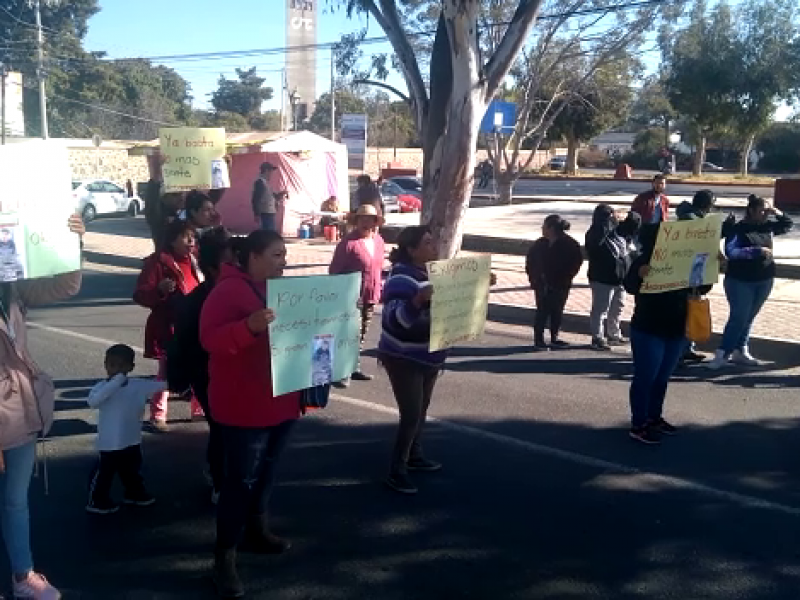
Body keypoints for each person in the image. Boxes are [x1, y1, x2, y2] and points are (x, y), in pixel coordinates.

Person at [200, 230, 301, 598]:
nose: (283, 260)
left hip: (282, 398)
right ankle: (223, 558)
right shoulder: (227, 291)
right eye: (276, 254)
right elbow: (209, 340)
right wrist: (249, 327)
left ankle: (257, 530)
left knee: (268, 471)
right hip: (244, 405)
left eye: (284, 254)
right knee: (239, 481)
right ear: (253, 257)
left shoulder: (280, 290)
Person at [0, 214, 84, 600]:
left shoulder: (13, 286)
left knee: (16, 500)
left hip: (19, 411)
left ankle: (22, 576)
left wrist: (71, 244)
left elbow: (65, 285)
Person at [623, 225, 715, 444]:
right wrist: (638, 274)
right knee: (646, 378)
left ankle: (654, 417)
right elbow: (629, 285)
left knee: (662, 378)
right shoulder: (643, 259)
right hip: (648, 329)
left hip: (676, 329)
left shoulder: (685, 259)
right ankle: (639, 424)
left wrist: (711, 267)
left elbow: (700, 288)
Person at [168, 228, 236, 504]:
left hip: (235, 374)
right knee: (222, 427)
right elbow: (179, 343)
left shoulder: (241, 293)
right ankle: (221, 483)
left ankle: (218, 470)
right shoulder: (195, 302)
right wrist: (180, 382)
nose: (236, 268)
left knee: (230, 428)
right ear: (210, 268)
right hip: (205, 376)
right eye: (229, 263)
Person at [379, 226, 445, 496]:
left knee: (421, 409)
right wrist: (418, 300)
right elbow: (396, 321)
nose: (434, 247)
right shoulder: (401, 278)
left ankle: (415, 455)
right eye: (427, 243)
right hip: (403, 356)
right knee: (411, 414)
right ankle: (397, 470)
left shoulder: (434, 274)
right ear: (411, 249)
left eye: (433, 241)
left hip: (429, 354)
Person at [133, 219, 203, 431]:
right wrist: (160, 290)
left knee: (199, 368)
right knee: (166, 372)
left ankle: (198, 409)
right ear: (172, 240)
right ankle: (158, 414)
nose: (191, 241)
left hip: (194, 324)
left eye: (193, 236)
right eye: (185, 236)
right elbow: (141, 295)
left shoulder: (198, 261)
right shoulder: (157, 263)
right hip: (168, 326)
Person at [708, 195, 793, 369]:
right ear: (751, 210)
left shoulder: (767, 226)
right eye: (761, 210)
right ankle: (723, 352)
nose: (764, 214)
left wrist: (775, 212)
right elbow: (732, 251)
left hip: (764, 278)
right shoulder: (739, 228)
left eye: (766, 211)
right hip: (740, 280)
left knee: (749, 317)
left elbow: (787, 224)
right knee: (738, 317)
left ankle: (741, 349)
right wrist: (756, 251)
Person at [86, 344, 165, 515]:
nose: (116, 370)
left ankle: (134, 493)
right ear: (105, 365)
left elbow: (161, 385)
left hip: (131, 439)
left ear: (131, 367)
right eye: (112, 365)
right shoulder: (102, 387)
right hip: (109, 443)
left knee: (132, 470)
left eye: (121, 366)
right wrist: (114, 385)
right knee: (104, 473)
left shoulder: (137, 385)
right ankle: (96, 500)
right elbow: (93, 402)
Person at [674, 189, 735, 364]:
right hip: (687, 272)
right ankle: (679, 351)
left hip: (695, 271)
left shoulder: (693, 216)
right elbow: (703, 238)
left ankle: (687, 348)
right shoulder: (690, 219)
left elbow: (708, 236)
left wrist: (725, 227)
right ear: (707, 204)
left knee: (691, 309)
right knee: (685, 312)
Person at [329, 204, 385, 387]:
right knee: (348, 334)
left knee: (361, 334)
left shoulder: (378, 241)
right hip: (351, 297)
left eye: (369, 219)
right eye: (362, 219)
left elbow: (377, 268)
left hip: (371, 294)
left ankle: (354, 367)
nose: (365, 222)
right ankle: (341, 371)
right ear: (356, 221)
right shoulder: (348, 244)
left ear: (375, 222)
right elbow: (335, 271)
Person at [585, 206, 641, 350]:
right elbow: (597, 241)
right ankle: (597, 337)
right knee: (601, 309)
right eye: (610, 216)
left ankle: (613, 334)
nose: (614, 218)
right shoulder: (595, 233)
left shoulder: (618, 231)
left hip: (620, 277)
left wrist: (629, 216)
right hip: (603, 278)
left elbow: (635, 224)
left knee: (617, 307)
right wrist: (608, 222)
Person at [525, 215, 584, 350]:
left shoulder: (570, 244)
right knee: (542, 311)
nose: (542, 229)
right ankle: (538, 339)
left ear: (551, 228)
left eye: (544, 226)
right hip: (541, 284)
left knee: (557, 310)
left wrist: (565, 277)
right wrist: (534, 278)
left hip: (560, 284)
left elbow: (575, 263)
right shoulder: (540, 244)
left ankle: (554, 337)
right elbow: (530, 262)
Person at [252, 162, 279, 232]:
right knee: (268, 235)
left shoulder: (266, 183)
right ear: (266, 171)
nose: (271, 174)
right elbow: (255, 199)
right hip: (265, 214)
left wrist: (280, 195)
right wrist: (256, 214)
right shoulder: (260, 182)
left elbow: (270, 196)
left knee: (269, 235)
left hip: (269, 213)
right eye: (270, 171)